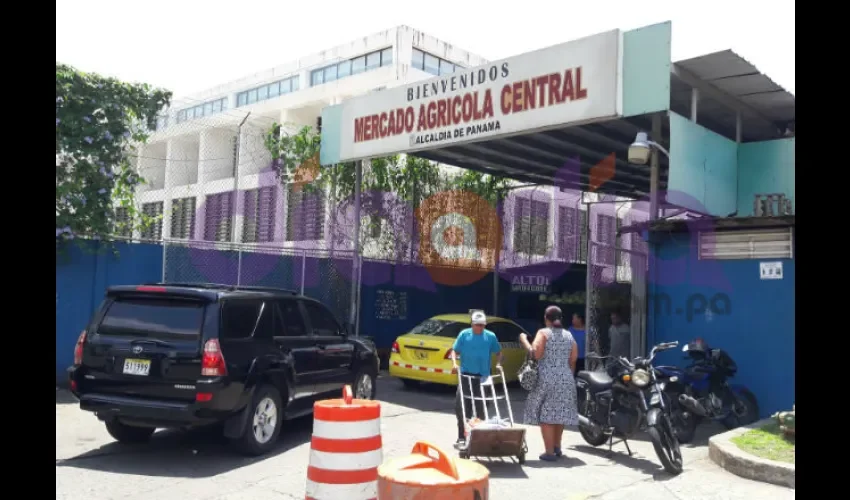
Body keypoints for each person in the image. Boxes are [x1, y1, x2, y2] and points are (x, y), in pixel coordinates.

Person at [519, 305, 579, 461]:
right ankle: (557, 446)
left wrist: (524, 340)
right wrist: (567, 375)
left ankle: (549, 452)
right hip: (566, 377)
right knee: (559, 413)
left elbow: (535, 353)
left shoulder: (543, 333)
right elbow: (573, 358)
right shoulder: (568, 335)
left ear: (546, 318)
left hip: (547, 378)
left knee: (547, 415)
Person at [450, 311, 502, 448]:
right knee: (461, 407)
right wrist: (454, 363)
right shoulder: (464, 335)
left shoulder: (490, 336)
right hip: (466, 375)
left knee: (482, 407)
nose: (480, 328)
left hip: (484, 376)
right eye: (477, 325)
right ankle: (462, 436)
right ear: (472, 324)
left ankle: (480, 436)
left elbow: (499, 352)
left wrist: (498, 363)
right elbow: (454, 351)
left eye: (482, 325)